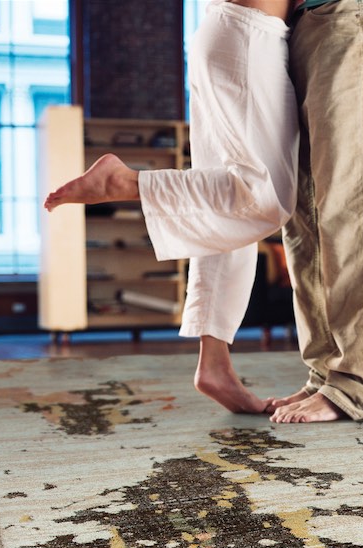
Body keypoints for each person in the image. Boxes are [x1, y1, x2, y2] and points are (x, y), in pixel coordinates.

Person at [45, 0, 299, 414]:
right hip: (251, 37)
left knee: (222, 223)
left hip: (229, 35)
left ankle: (214, 364)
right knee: (263, 197)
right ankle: (125, 183)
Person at [265, 0, 363, 423]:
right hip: (298, 25)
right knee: (304, 217)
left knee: (352, 202)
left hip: (341, 11)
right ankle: (328, 371)